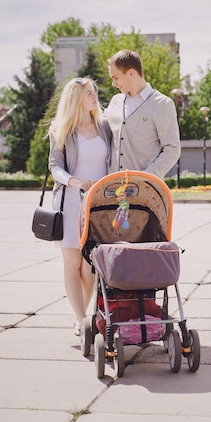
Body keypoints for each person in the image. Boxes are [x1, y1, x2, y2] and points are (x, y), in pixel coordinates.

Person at [49, 77, 111, 336]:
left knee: (90, 266)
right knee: (72, 263)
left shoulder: (105, 126)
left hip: (97, 204)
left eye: (94, 92)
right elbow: (54, 166)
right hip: (70, 203)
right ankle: (80, 318)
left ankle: (85, 317)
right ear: (76, 99)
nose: (94, 96)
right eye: (88, 93)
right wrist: (73, 181)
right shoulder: (61, 129)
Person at [104, 49, 181, 179]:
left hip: (146, 191)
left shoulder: (162, 104)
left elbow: (172, 149)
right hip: (114, 190)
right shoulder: (115, 102)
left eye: (116, 78)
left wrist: (147, 177)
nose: (113, 84)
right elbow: (95, 127)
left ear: (130, 73)